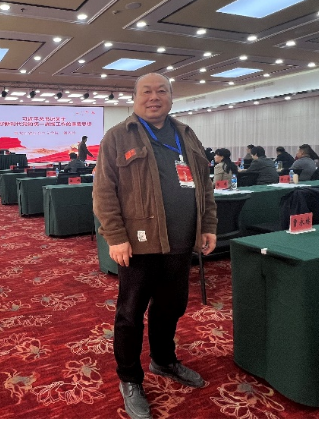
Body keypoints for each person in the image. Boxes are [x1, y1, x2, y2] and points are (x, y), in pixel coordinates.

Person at [93, 73, 218, 420]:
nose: (154, 97)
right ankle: (130, 379)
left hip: (181, 242)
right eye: (146, 91)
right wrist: (115, 236)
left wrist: (207, 225)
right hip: (139, 245)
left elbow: (204, 185)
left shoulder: (186, 134)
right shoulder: (118, 136)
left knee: (170, 308)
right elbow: (103, 192)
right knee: (130, 315)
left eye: (161, 91)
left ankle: (163, 360)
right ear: (134, 98)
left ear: (171, 98)